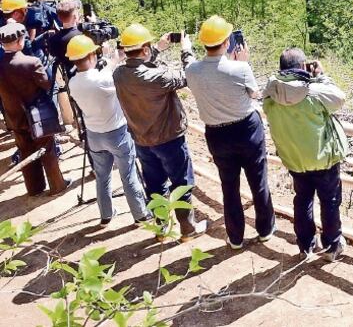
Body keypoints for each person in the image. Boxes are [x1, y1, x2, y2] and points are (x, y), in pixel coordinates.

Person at [186, 16, 275, 250]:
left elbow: (191, 65)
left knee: (229, 186)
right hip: (247, 130)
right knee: (258, 182)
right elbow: (255, 94)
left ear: (203, 43)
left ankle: (235, 237)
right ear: (227, 42)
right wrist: (244, 62)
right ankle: (265, 230)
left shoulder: (192, 70)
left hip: (216, 134)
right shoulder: (240, 68)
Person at [113, 23, 206, 241]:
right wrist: (186, 50)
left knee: (155, 185)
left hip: (141, 139)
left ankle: (162, 228)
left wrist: (157, 48)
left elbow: (138, 63)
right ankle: (188, 228)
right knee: (181, 183)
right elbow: (188, 75)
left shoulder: (119, 74)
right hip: (169, 138)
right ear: (144, 49)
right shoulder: (157, 77)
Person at [261, 48, 347, 261]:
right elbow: (339, 99)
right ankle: (331, 245)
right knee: (330, 201)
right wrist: (321, 77)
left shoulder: (270, 93)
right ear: (302, 68)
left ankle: (306, 245)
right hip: (322, 158)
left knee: (302, 200)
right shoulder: (313, 92)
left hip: (294, 159)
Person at [66, 34, 151, 226]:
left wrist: (111, 59)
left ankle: (105, 215)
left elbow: (104, 73)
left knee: (102, 178)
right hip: (117, 133)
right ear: (90, 56)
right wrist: (116, 57)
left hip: (94, 135)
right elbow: (111, 74)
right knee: (128, 175)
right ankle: (140, 214)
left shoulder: (73, 83)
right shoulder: (103, 80)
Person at [0, 21, 68, 196]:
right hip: (37, 115)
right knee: (47, 148)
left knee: (25, 151)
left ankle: (35, 188)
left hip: (14, 116)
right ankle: (57, 185)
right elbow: (46, 84)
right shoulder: (31, 62)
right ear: (20, 42)